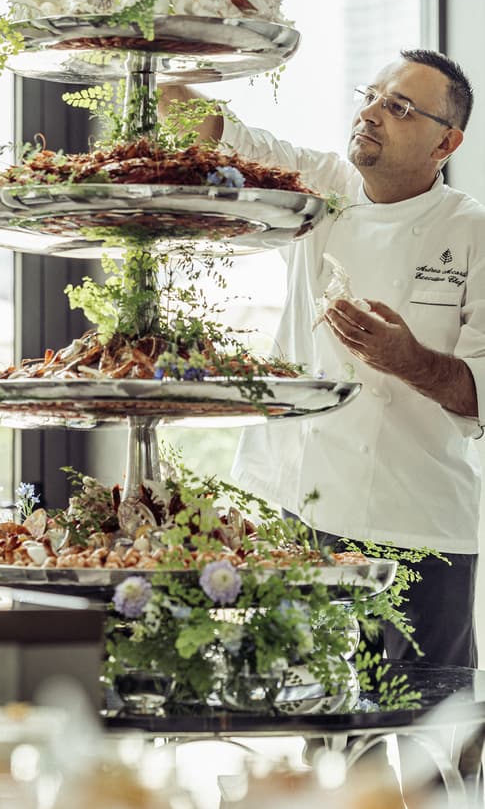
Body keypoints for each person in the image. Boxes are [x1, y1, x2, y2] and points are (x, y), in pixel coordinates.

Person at [164, 49, 484, 668]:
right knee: (308, 702)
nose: (370, 113)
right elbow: (200, 125)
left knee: (429, 716)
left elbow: (480, 392)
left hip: (421, 524)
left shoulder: (474, 231)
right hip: (302, 502)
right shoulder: (318, 187)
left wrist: (406, 358)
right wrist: (181, 53)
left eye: (399, 107)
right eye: (371, 96)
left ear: (445, 143)